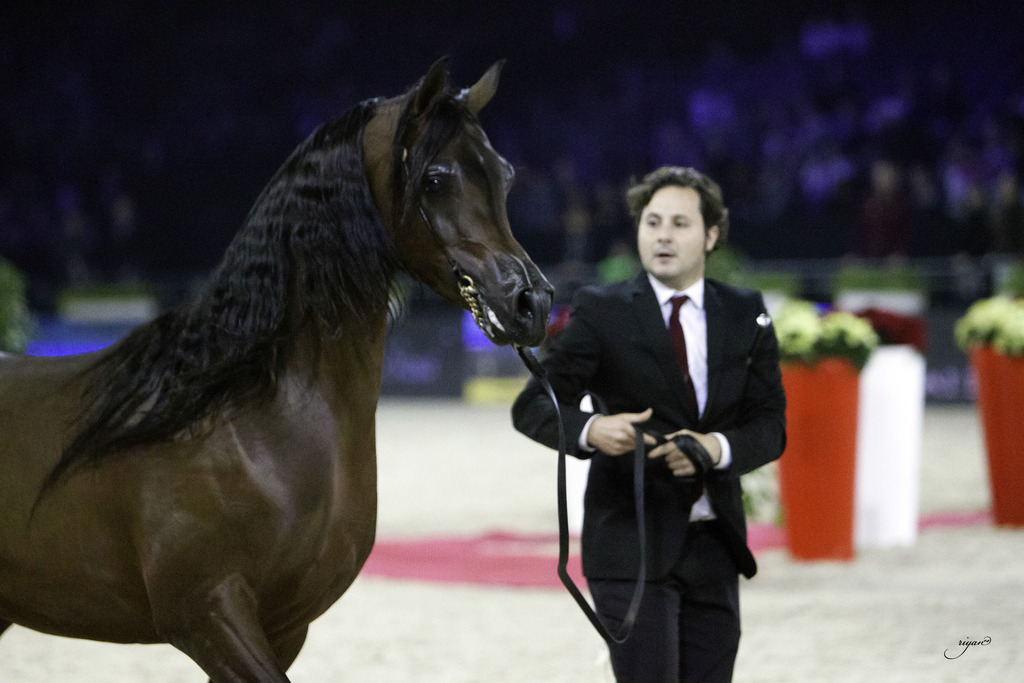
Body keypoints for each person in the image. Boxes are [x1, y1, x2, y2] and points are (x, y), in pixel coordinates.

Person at [512, 166, 786, 682]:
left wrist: (716, 446)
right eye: (652, 222)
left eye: (679, 223)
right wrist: (594, 431)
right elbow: (533, 406)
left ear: (710, 236)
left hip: (716, 547)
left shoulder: (745, 311)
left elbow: (771, 426)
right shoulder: (600, 310)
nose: (662, 234)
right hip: (628, 546)